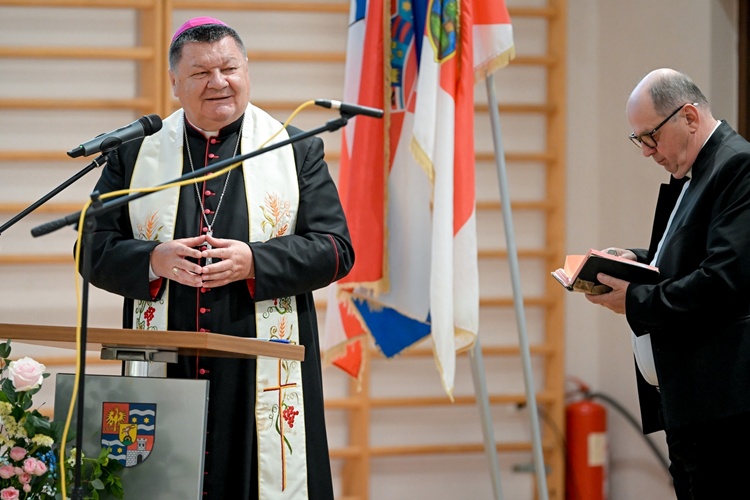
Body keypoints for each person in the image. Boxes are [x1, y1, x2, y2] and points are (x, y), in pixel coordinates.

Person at [84, 17, 353, 499]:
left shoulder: (294, 149)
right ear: (174, 82)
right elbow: (90, 248)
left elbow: (336, 249)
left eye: (229, 68)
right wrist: (153, 259)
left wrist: (255, 262)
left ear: (247, 70)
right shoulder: (134, 153)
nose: (219, 82)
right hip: (165, 360)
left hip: (257, 369)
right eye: (201, 73)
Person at [585, 68, 750, 499]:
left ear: (689, 117)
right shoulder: (694, 172)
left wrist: (635, 300)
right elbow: (682, 260)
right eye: (638, 139)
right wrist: (634, 261)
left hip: (724, 411)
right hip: (689, 406)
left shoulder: (737, 166)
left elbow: (722, 280)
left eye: (651, 136)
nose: (646, 151)